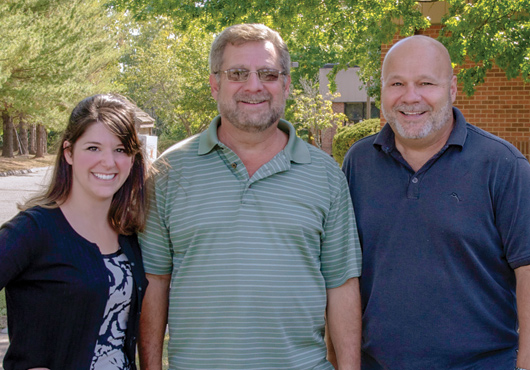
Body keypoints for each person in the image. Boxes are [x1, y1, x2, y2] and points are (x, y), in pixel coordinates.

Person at [138, 23, 362, 370]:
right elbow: (155, 283)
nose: (254, 85)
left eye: (269, 74)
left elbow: (342, 285)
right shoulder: (169, 172)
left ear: (286, 85)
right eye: (238, 73)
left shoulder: (325, 175)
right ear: (215, 84)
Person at [342, 35, 530, 369]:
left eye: (426, 82)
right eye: (396, 83)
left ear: (452, 89)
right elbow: (343, 273)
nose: (410, 97)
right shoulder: (359, 162)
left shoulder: (502, 165)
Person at [0, 94, 149, 370]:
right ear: (68, 152)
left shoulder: (129, 234)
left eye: (120, 149)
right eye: (93, 148)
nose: (108, 162)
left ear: (133, 158)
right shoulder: (33, 230)